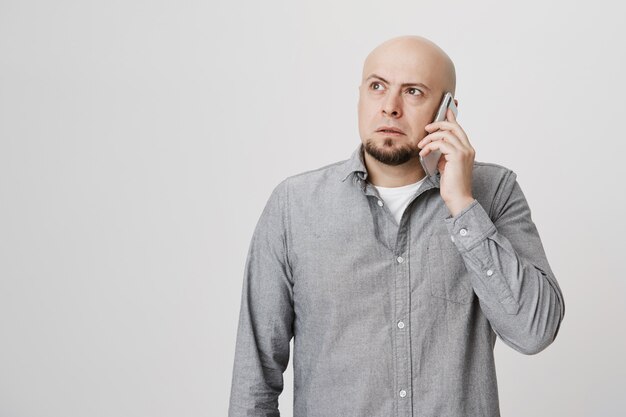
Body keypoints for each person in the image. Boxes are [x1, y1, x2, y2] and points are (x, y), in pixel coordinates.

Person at [227, 35, 565, 417]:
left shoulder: (495, 192)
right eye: (377, 87)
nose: (389, 107)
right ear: (360, 97)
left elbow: (534, 332)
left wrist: (463, 206)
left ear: (447, 110)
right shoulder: (294, 205)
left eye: (413, 92)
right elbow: (254, 381)